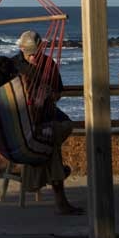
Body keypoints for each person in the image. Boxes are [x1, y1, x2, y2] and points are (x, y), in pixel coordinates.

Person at [11, 30, 82, 215]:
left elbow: (58, 93)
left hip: (46, 113)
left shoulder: (49, 64)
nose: (33, 57)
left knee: (65, 126)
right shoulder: (14, 66)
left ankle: (38, 175)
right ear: (21, 48)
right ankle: (60, 198)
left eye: (36, 53)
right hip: (24, 118)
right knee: (50, 146)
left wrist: (49, 95)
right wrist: (31, 99)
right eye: (29, 53)